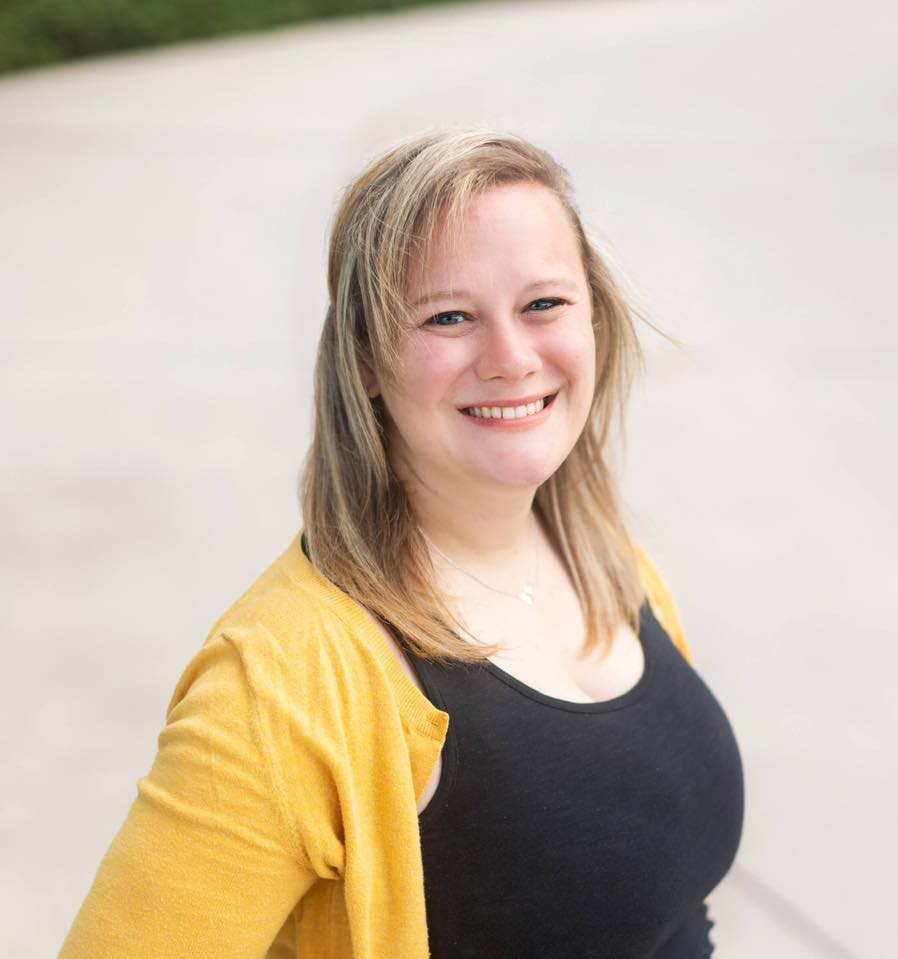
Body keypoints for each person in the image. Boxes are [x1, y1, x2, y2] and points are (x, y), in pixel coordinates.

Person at [59, 128, 744, 959]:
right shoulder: (281, 684)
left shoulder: (611, 564)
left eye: (544, 303)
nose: (510, 356)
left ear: (594, 316)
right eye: (448, 316)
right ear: (367, 363)